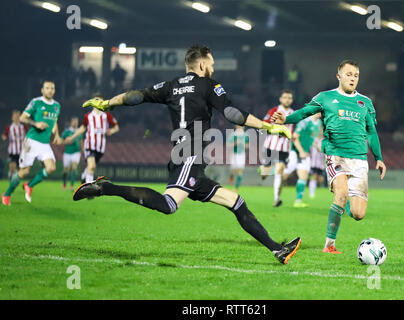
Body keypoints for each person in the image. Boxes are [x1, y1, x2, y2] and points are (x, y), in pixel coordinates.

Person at [73, 44, 300, 264]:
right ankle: (106, 188)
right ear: (201, 65)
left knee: (236, 201)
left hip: (189, 158)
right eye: (211, 64)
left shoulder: (170, 85)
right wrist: (268, 126)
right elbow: (231, 113)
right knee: (168, 204)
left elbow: (137, 96)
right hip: (189, 156)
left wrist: (107, 103)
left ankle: (277, 249)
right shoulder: (208, 85)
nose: (213, 68)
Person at [272, 60, 386, 254]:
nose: (352, 78)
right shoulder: (325, 98)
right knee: (341, 195)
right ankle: (329, 245)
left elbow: (371, 132)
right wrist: (286, 119)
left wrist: (379, 157)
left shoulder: (365, 102)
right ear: (339, 76)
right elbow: (304, 113)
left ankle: (344, 203)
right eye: (348, 74)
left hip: (359, 159)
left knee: (358, 214)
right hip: (335, 156)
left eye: (356, 75)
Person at [2, 81, 63, 205]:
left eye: (52, 88)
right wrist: (36, 124)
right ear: (42, 90)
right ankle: (7, 194)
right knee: (24, 171)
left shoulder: (57, 105)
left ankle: (29, 186)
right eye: (47, 88)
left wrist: (56, 135)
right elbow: (22, 117)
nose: (50, 90)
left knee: (51, 168)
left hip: (45, 143)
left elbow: (54, 120)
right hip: (31, 141)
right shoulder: (36, 102)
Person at [65, 94, 119, 184]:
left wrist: (111, 131)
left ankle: (84, 176)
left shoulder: (107, 116)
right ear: (92, 102)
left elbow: (116, 127)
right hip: (89, 145)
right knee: (92, 166)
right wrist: (72, 137)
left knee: (91, 167)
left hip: (100, 147)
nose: (98, 103)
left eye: (100, 101)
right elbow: (82, 128)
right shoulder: (88, 116)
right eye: (96, 100)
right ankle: (89, 186)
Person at [259, 90, 295, 207]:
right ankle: (263, 170)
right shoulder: (274, 111)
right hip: (270, 145)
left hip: (284, 148)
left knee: (279, 171)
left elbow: (293, 130)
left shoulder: (293, 113)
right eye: (285, 97)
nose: (287, 100)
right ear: (280, 99)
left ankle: (276, 199)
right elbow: (263, 125)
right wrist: (275, 130)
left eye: (289, 98)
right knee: (265, 173)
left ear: (292, 100)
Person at [291, 113, 322, 208]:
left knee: (303, 176)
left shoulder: (319, 123)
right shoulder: (305, 121)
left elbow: (310, 138)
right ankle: (268, 170)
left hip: (305, 154)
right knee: (284, 173)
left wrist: (317, 146)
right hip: (295, 152)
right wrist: (301, 151)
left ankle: (298, 200)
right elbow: (295, 137)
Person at [2, 110, 28, 179]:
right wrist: (4, 137)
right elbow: (4, 136)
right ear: (12, 118)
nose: (16, 118)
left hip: (21, 151)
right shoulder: (9, 127)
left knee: (21, 170)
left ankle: (16, 176)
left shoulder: (23, 127)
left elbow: (29, 135)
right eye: (15, 116)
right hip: (12, 151)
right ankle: (11, 174)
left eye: (17, 116)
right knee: (12, 168)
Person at [61, 117, 83, 191]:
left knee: (74, 168)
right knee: (65, 170)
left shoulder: (79, 131)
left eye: (76, 122)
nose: (75, 123)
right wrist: (66, 142)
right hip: (67, 152)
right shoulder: (67, 131)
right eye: (74, 121)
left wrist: (83, 150)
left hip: (76, 152)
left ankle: (71, 186)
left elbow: (81, 141)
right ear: (71, 123)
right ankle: (64, 183)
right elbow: (61, 140)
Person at [227, 125, 249, 192]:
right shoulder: (233, 135)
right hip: (234, 154)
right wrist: (235, 143)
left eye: (241, 126)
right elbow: (228, 145)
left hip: (241, 154)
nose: (240, 127)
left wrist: (243, 145)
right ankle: (231, 176)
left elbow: (247, 146)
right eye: (239, 125)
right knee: (233, 170)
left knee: (240, 171)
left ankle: (236, 188)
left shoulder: (246, 135)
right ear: (236, 126)